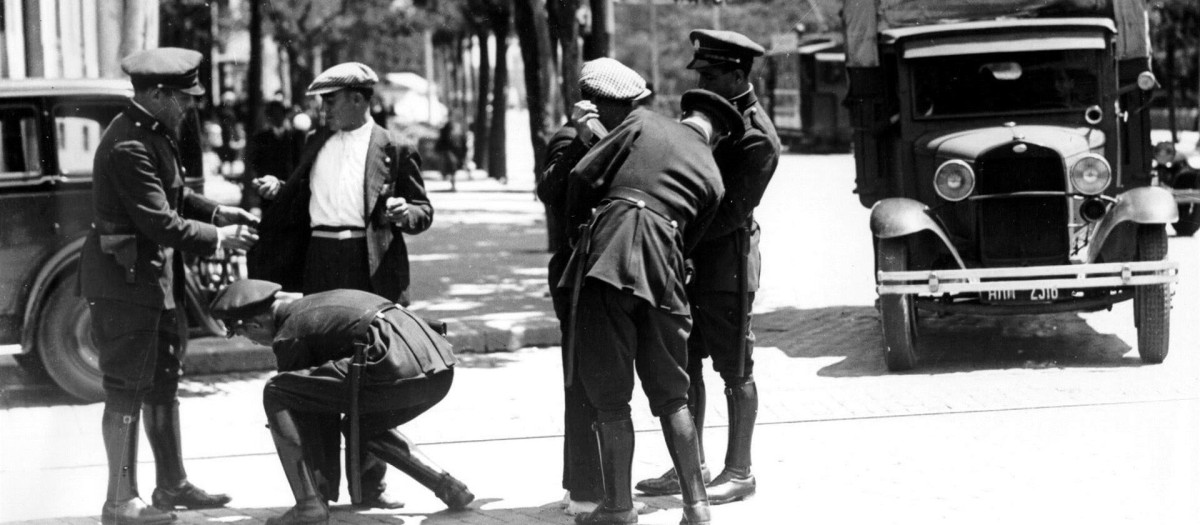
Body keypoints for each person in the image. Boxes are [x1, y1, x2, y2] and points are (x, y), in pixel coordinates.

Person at [79, 47, 260, 525]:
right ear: (157, 93)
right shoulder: (128, 145)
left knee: (162, 382)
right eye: (182, 98)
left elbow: (175, 195)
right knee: (125, 388)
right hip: (126, 285)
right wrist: (220, 237)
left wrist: (217, 212)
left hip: (153, 282)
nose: (189, 106)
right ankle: (120, 501)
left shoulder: (151, 134)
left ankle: (171, 485)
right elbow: (159, 220)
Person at [248, 61, 433, 509]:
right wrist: (279, 188)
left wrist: (406, 214)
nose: (323, 109)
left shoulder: (394, 146)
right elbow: (300, 192)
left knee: (370, 376)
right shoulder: (316, 141)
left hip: (367, 264)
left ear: (357, 99)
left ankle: (371, 487)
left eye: (330, 100)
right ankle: (321, 487)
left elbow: (423, 210)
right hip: (320, 262)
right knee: (317, 374)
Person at [560, 89, 743, 525]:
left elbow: (583, 176)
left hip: (609, 254)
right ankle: (696, 507)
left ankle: (619, 508)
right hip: (665, 268)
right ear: (717, 137)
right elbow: (691, 239)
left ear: (684, 116)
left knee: (611, 397)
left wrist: (576, 238)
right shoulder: (715, 176)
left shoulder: (644, 122)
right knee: (672, 394)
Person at [636, 29, 781, 506]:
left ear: (739, 74)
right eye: (702, 74)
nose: (706, 84)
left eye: (714, 75)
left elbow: (728, 213)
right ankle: (690, 466)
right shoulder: (705, 119)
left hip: (725, 267)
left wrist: (676, 241)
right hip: (691, 261)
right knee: (686, 362)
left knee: (735, 366)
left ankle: (740, 470)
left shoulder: (757, 137)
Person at [208, 279, 473, 525]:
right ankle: (450, 488)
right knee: (362, 422)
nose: (256, 343)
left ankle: (308, 503)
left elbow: (309, 412)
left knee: (276, 391)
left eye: (249, 338)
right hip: (438, 369)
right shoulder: (311, 306)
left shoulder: (290, 334)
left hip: (399, 370)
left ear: (254, 325)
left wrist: (320, 486)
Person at [536, 57, 650, 517]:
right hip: (579, 273)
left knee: (604, 384)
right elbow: (551, 193)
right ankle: (584, 486)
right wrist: (583, 142)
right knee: (582, 382)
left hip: (613, 271)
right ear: (593, 104)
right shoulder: (568, 140)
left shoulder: (619, 137)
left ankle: (590, 481)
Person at [242, 100, 306, 214]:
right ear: (269, 117)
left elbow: (300, 162)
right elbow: (255, 163)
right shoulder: (261, 138)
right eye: (273, 114)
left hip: (289, 187)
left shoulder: (294, 137)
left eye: (280, 114)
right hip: (268, 189)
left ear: (284, 115)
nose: (277, 118)